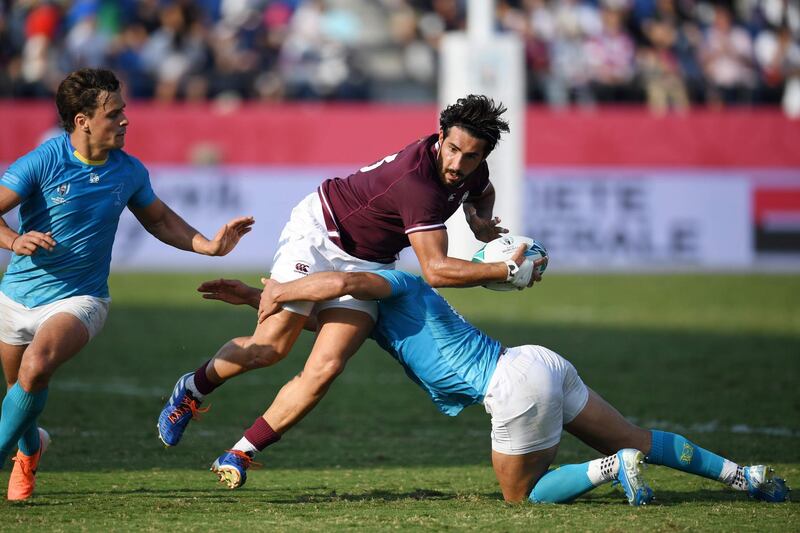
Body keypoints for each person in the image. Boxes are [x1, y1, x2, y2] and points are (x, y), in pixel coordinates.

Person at [196, 272, 789, 505]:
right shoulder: (371, 312)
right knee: (639, 429)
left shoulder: (391, 281)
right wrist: (256, 297)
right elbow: (326, 311)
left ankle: (612, 468)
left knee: (521, 497)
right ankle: (747, 477)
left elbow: (343, 282)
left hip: (511, 385)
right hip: (538, 361)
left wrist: (274, 289)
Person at [158, 95, 541, 453]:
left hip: (370, 261)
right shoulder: (417, 184)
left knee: (326, 367)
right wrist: (505, 269)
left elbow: (482, 191)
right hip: (321, 232)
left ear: (483, 155)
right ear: (440, 137)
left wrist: (479, 222)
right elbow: (436, 271)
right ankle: (192, 389)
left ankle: (241, 453)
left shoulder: (471, 169)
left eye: (470, 156)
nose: (458, 164)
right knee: (271, 347)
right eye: (453, 149)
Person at [0, 68, 254, 501]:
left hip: (81, 298)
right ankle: (29, 451)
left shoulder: (129, 171)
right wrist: (13, 239)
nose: (125, 120)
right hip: (16, 296)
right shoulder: (43, 160)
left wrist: (209, 246)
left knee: (37, 366)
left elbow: (158, 219)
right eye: (114, 113)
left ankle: (17, 457)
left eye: (123, 111)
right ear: (82, 121)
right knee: (21, 390)